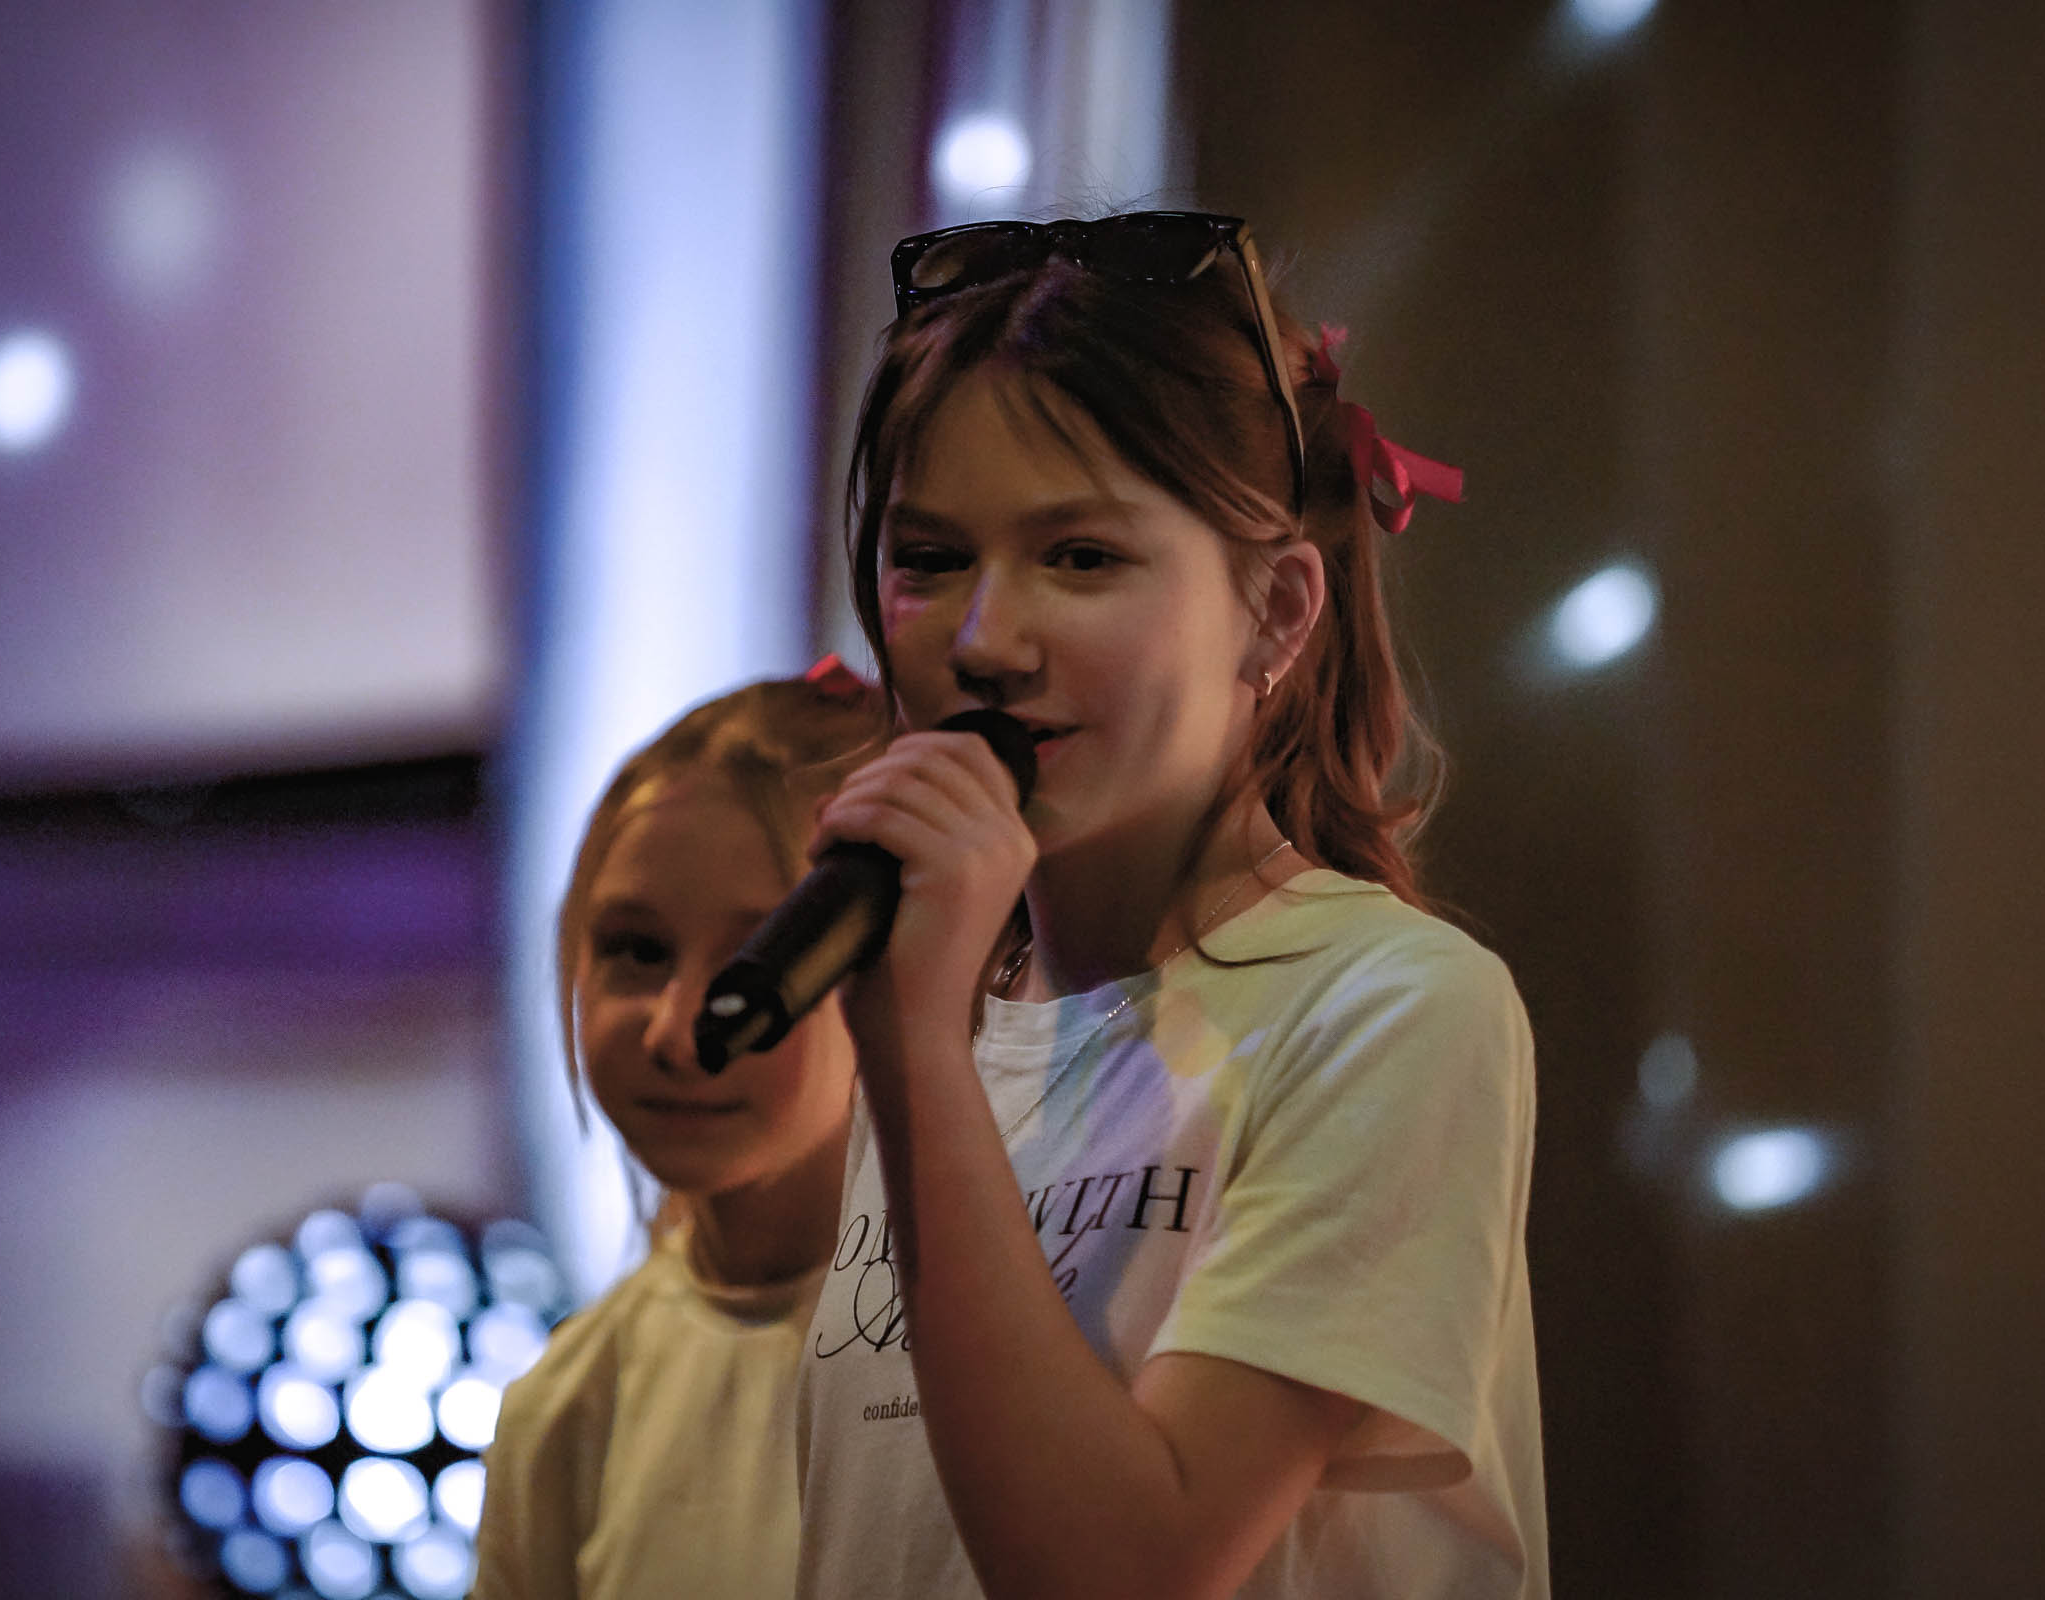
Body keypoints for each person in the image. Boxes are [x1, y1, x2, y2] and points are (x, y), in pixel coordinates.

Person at [793, 213, 1547, 1600]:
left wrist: (912, 1060)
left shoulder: (1386, 1008)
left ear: (1277, 613)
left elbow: (1122, 1568)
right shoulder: (945, 1007)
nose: (984, 642)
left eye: (1080, 557)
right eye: (930, 559)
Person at [471, 665, 888, 1600]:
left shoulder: (1002, 1347)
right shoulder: (571, 1405)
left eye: (757, 960)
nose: (675, 1030)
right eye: (637, 950)